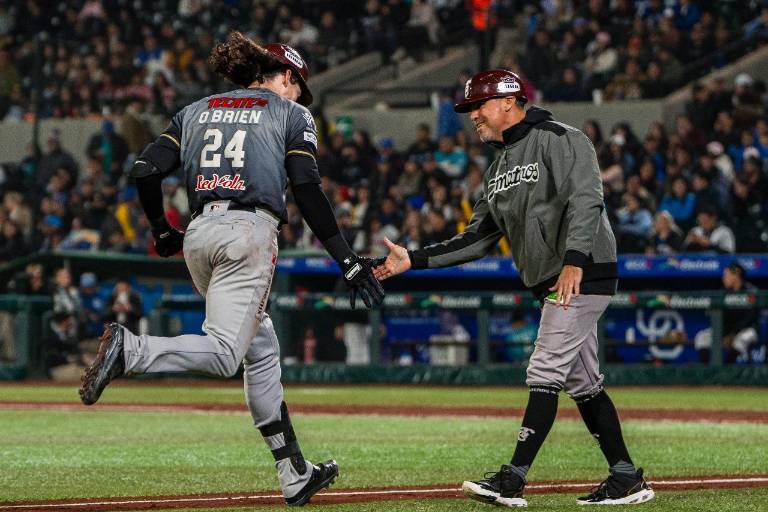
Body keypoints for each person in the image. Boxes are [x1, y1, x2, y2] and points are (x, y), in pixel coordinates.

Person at [79, 34, 384, 506]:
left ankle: (294, 472)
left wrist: (162, 230)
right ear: (286, 76)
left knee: (259, 346)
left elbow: (144, 169)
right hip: (248, 233)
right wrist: (346, 260)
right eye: (299, 86)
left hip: (199, 235)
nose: (301, 95)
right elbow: (305, 187)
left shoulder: (196, 109)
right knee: (225, 353)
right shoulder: (291, 113)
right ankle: (132, 351)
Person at [374, 69, 654, 507]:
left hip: (582, 271)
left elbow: (587, 197)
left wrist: (574, 260)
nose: (472, 117)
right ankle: (625, 476)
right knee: (583, 384)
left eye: (478, 106)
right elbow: (476, 239)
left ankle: (513, 477)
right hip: (553, 278)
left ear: (508, 100)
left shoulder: (561, 137)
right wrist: (415, 259)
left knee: (544, 371)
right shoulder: (498, 167)